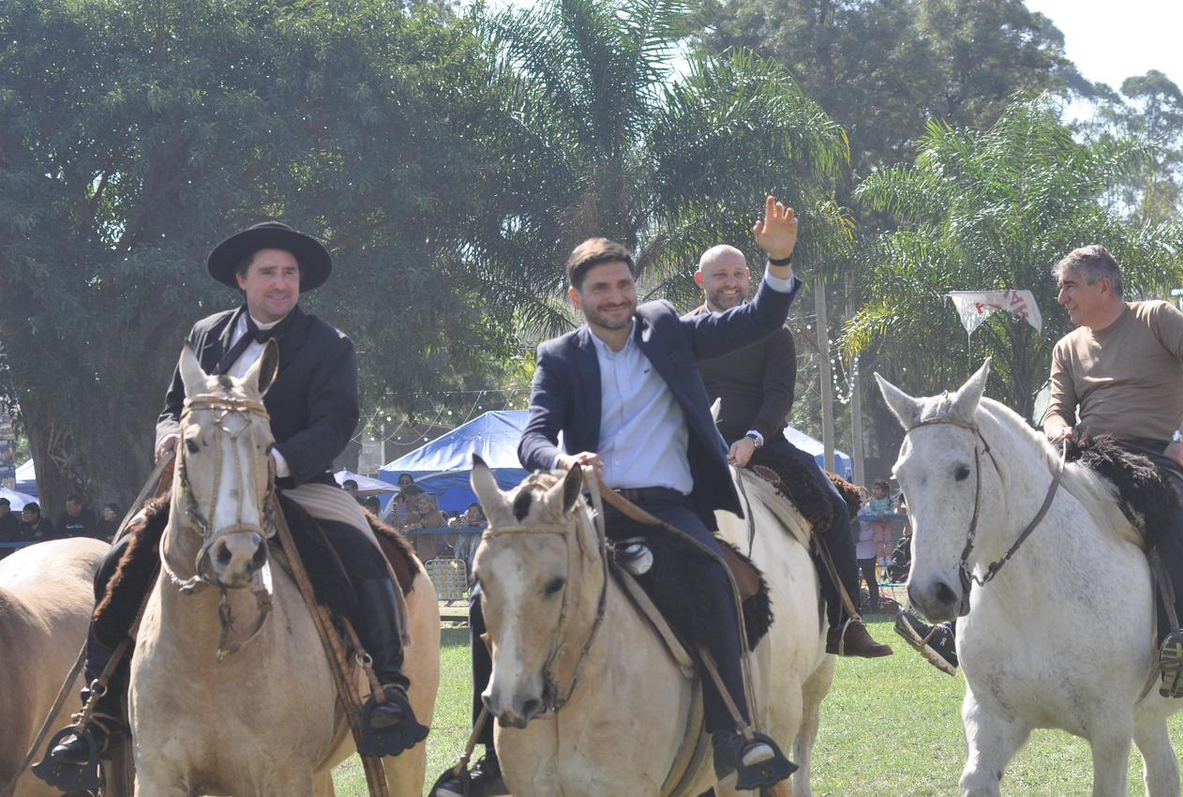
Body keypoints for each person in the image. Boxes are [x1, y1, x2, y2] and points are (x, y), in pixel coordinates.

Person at [436, 197, 805, 796]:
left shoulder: (670, 331)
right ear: (578, 298)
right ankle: (489, 759)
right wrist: (562, 460)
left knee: (713, 577)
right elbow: (532, 435)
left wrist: (780, 261)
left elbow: (757, 320)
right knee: (491, 600)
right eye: (601, 288)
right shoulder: (558, 356)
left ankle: (734, 734)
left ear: (637, 288)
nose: (616, 296)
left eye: (623, 284)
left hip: (665, 509)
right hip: (585, 509)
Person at [45, 221, 426, 771]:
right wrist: (169, 436)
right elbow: (172, 403)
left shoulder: (329, 344)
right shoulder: (203, 336)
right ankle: (98, 713)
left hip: (296, 483)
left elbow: (337, 421)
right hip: (202, 491)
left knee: (363, 555)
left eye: (289, 273)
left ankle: (386, 691)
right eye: (268, 272)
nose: (281, 283)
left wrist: (274, 460)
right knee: (115, 564)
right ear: (242, 280)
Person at [897, 245, 1183, 696]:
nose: (1061, 298)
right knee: (1008, 509)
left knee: (1173, 516)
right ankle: (960, 632)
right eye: (1061, 288)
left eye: (1070, 286)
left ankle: (1181, 641)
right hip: (1090, 456)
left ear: (1103, 285)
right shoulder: (1066, 348)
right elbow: (1057, 409)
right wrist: (1058, 429)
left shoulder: (1156, 317)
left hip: (1158, 456)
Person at [689, 243, 892, 656]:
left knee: (834, 506)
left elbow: (779, 395)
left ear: (748, 277)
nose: (730, 283)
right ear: (701, 280)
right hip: (696, 446)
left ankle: (844, 622)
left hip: (764, 444)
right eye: (720, 275)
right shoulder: (681, 332)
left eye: (737, 274)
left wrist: (752, 439)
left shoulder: (774, 331)